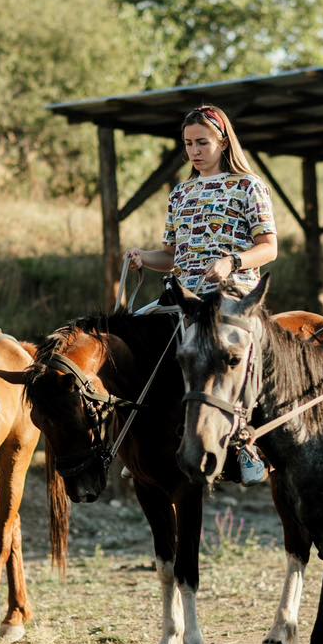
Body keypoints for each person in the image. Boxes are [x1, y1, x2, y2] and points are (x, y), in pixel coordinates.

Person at [124, 104, 278, 482]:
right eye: (188, 143)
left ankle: (247, 448)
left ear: (223, 142)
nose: (194, 151)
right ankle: (138, 440)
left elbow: (269, 246)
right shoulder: (180, 192)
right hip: (184, 296)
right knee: (129, 337)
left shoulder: (248, 185)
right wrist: (144, 257)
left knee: (226, 358)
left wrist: (232, 262)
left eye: (202, 142)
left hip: (232, 295)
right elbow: (173, 256)